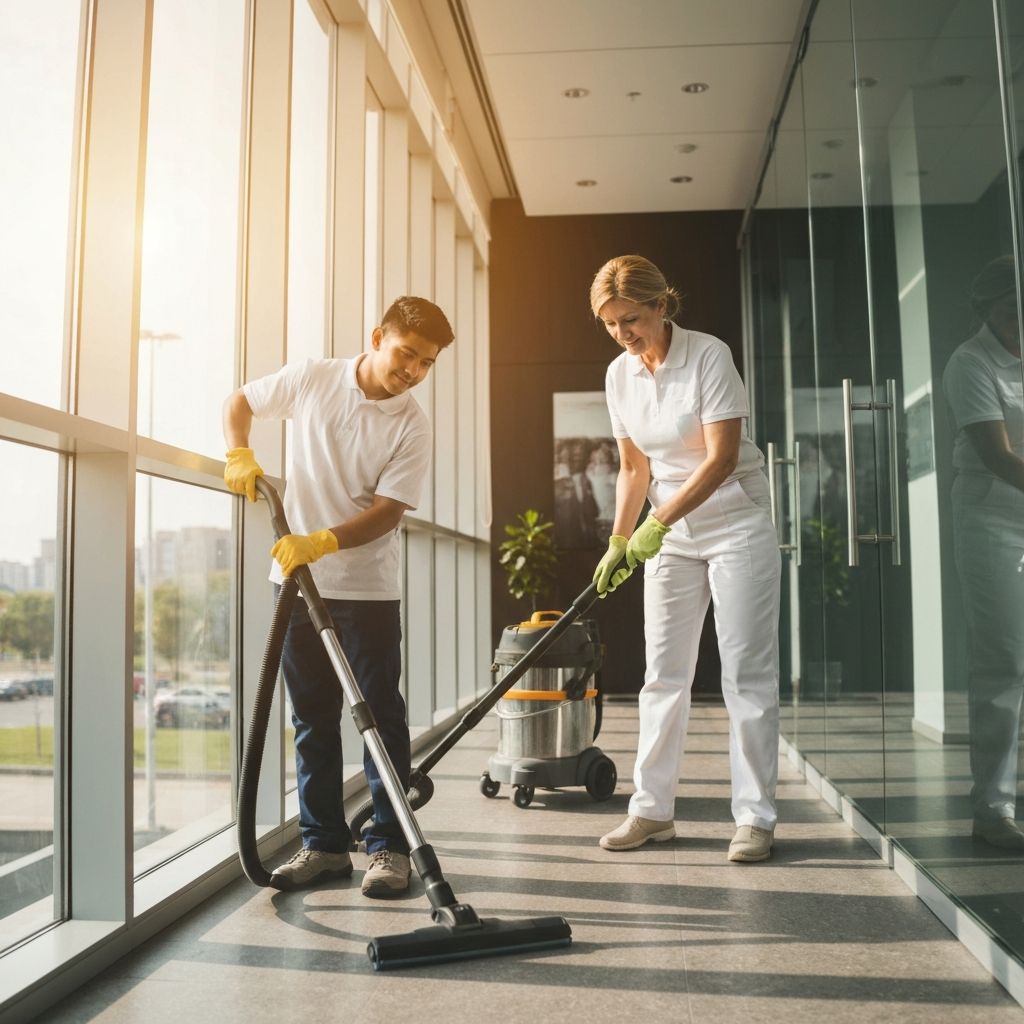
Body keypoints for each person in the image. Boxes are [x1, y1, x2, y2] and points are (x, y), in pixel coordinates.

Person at [222, 296, 454, 894]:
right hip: (296, 584)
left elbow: (388, 512)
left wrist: (322, 540)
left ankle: (388, 848)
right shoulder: (313, 378)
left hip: (367, 590)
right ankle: (323, 845)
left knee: (380, 716)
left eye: (426, 364)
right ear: (377, 336)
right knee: (312, 718)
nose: (412, 371)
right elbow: (240, 402)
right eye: (406, 354)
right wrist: (239, 451)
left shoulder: (412, 424)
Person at [589, 254, 781, 862]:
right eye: (611, 323)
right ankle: (651, 811)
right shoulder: (619, 376)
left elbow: (721, 458)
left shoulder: (708, 356)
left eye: (633, 319)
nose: (624, 333)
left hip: (734, 521)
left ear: (662, 307)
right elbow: (632, 467)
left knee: (745, 675)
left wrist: (655, 524)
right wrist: (621, 540)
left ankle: (755, 818)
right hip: (668, 532)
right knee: (663, 674)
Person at [942, 255, 1024, 850]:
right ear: (985, 311)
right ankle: (992, 809)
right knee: (1004, 663)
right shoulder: (970, 363)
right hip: (993, 517)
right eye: (1008, 310)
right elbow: (997, 456)